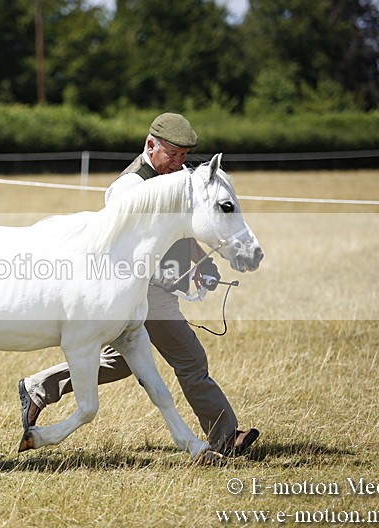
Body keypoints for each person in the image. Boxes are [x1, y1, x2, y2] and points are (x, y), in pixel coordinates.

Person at [18, 112, 258, 456]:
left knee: (121, 360)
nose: (179, 163)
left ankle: (37, 388)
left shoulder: (176, 180)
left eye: (184, 157)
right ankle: (226, 437)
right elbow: (125, 246)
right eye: (172, 155)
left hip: (154, 288)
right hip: (140, 290)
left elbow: (183, 224)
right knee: (190, 359)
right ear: (150, 145)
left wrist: (197, 260)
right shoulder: (129, 188)